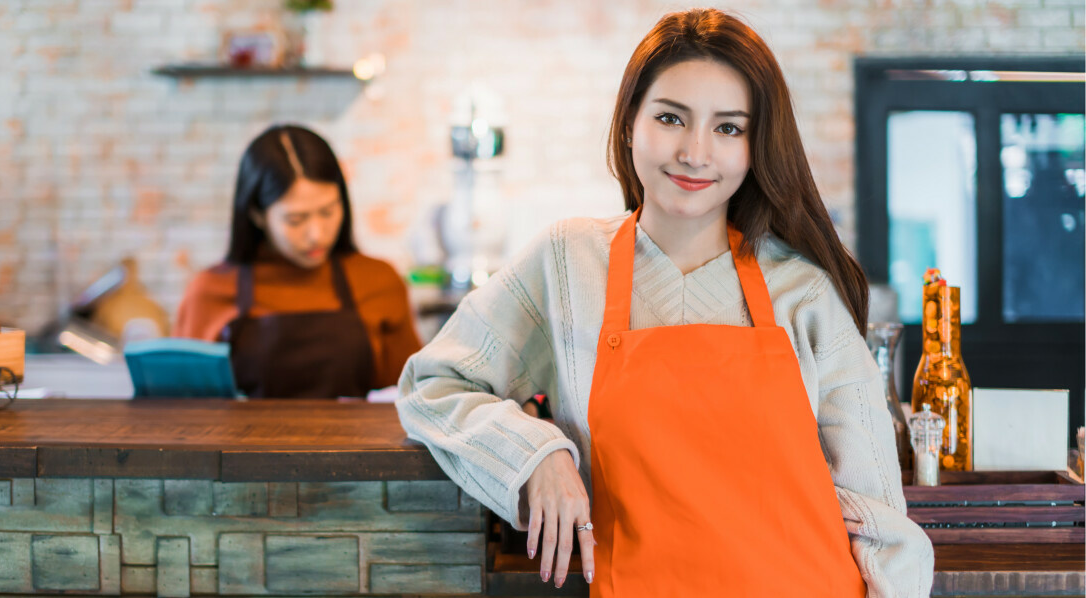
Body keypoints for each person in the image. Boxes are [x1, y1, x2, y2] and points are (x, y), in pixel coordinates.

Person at [396, 9, 933, 597]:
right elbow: (434, 383)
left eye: (728, 128)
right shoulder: (568, 263)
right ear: (630, 124)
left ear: (757, 146)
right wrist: (537, 454)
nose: (695, 152)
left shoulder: (802, 291)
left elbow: (878, 514)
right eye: (671, 118)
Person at [175, 124, 421, 398]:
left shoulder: (379, 280)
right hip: (245, 442)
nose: (316, 235)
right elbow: (186, 411)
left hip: (355, 442)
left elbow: (411, 395)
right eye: (296, 219)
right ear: (257, 214)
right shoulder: (209, 291)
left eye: (328, 211)